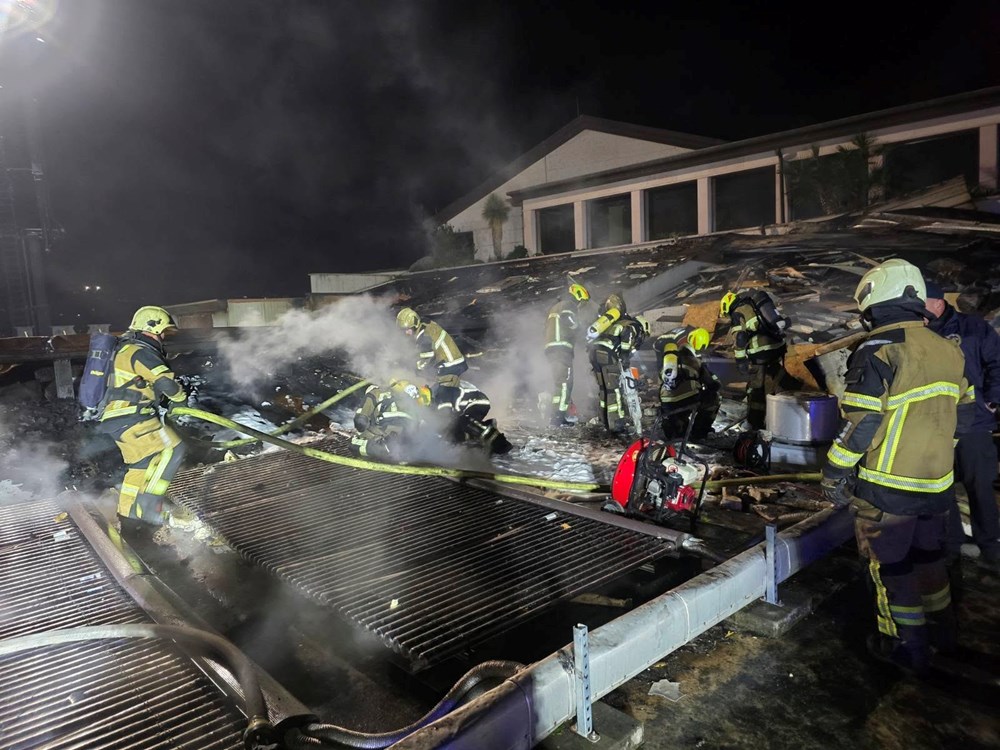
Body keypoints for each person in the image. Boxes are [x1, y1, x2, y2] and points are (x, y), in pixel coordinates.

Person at [820, 259, 975, 676]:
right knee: (929, 558)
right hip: (937, 483)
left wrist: (833, 473)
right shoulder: (948, 349)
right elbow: (964, 416)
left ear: (874, 302)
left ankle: (906, 646)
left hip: (886, 489)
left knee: (890, 567)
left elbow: (860, 425)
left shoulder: (878, 350)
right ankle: (944, 632)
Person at [924, 280, 1000, 574]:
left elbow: (996, 363)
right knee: (942, 490)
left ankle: (990, 546)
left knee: (980, 486)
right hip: (937, 426)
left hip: (975, 424)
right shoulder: (918, 331)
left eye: (922, 302)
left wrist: (991, 401)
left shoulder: (973, 327)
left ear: (938, 303)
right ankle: (951, 546)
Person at [97, 305, 190, 528]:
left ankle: (129, 519)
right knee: (173, 448)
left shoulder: (124, 351)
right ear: (153, 329)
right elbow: (165, 381)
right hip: (133, 416)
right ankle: (150, 505)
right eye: (163, 332)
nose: (163, 337)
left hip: (116, 420)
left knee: (140, 466)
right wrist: (180, 399)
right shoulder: (140, 352)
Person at [720, 288, 798, 429]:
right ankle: (799, 395)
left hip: (760, 353)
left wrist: (740, 360)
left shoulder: (737, 312)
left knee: (756, 389)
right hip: (777, 348)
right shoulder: (754, 306)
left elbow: (740, 337)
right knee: (777, 375)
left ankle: (754, 423)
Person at [587, 296, 649, 434]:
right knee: (614, 389)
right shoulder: (634, 326)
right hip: (607, 355)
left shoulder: (614, 324)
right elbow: (627, 338)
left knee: (604, 389)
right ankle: (616, 422)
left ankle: (605, 420)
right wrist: (625, 356)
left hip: (594, 354)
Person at [653, 326, 721, 441]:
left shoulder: (668, 362)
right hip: (688, 399)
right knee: (713, 399)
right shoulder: (696, 361)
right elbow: (712, 384)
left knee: (679, 425)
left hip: (667, 402)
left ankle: (677, 431)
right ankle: (699, 433)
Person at [396, 307, 468, 405]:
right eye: (403, 330)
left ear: (415, 325)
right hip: (451, 362)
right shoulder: (425, 325)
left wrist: (415, 369)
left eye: (408, 329)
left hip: (450, 366)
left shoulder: (424, 336)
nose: (406, 333)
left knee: (440, 398)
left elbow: (427, 357)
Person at [543, 282, 591, 426]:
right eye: (581, 302)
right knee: (565, 384)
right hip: (561, 349)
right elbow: (569, 319)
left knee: (559, 384)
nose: (580, 305)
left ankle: (555, 416)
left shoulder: (555, 307)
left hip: (553, 350)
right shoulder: (568, 305)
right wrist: (580, 329)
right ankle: (558, 418)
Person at [350, 378, 431, 461]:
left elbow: (360, 421)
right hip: (409, 433)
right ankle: (409, 451)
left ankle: (384, 448)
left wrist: (363, 432)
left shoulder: (374, 393)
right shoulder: (410, 397)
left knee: (354, 444)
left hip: (387, 429)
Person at [431, 379, 513, 455]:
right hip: (468, 405)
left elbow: (447, 417)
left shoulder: (439, 395)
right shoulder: (437, 391)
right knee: (454, 430)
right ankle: (478, 440)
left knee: (464, 422)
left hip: (477, 402)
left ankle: (501, 445)